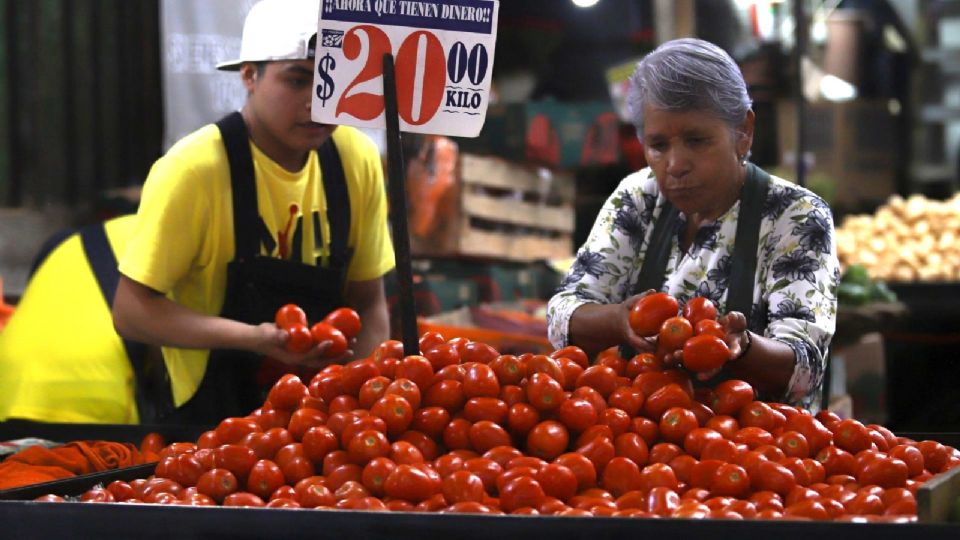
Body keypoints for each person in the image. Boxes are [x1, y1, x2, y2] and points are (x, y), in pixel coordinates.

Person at [112, 0, 395, 424]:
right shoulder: (194, 169)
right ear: (249, 74)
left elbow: (369, 301)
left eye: (331, 82)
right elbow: (132, 312)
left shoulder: (357, 158)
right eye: (297, 80)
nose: (316, 101)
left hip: (325, 423)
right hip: (212, 425)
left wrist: (363, 398)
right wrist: (254, 338)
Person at [547, 38, 839, 410]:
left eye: (696, 140)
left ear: (743, 132)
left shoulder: (794, 215)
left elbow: (804, 365)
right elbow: (563, 312)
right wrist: (619, 321)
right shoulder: (639, 197)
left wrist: (742, 347)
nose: (675, 164)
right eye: (658, 145)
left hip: (754, 448)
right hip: (641, 445)